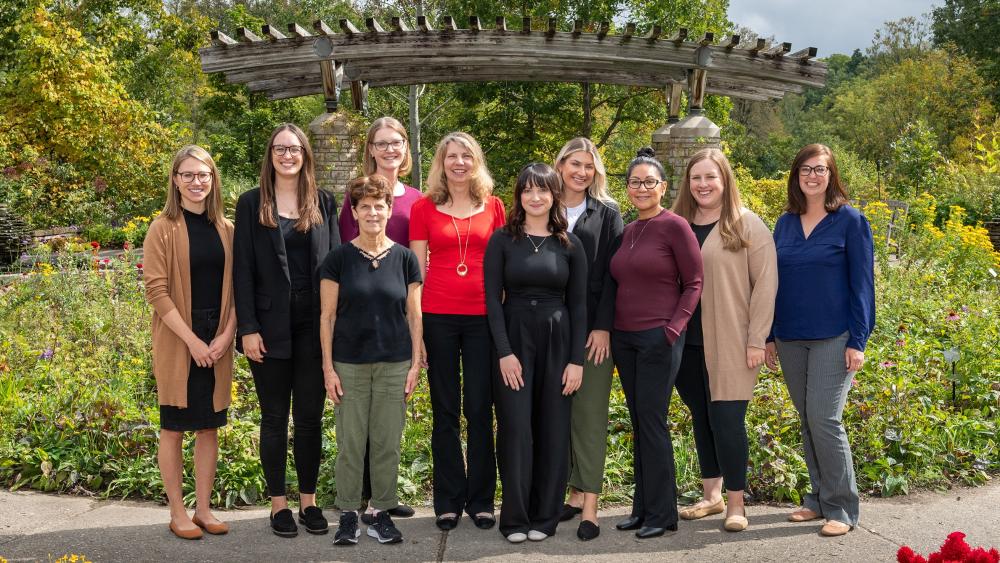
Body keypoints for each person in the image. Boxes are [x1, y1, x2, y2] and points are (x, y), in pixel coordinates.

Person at [234, 123, 340, 537]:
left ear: (305, 154)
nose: (287, 155)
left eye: (294, 149)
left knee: (310, 419)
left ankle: (309, 503)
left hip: (314, 327)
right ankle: (278, 505)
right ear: (270, 155)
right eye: (280, 148)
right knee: (275, 417)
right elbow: (242, 270)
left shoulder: (324, 202)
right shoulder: (250, 204)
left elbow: (333, 269)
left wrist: (335, 326)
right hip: (268, 327)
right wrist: (248, 327)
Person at [765, 143, 875, 537]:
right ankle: (817, 499)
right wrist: (768, 335)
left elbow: (863, 286)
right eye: (806, 169)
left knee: (825, 419)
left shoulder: (850, 221)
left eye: (821, 170)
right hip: (791, 335)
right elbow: (772, 284)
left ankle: (842, 508)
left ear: (832, 176)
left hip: (834, 335)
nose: (813, 176)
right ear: (796, 176)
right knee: (808, 420)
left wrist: (858, 340)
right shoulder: (785, 223)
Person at [670, 148, 778, 532]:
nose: (703, 185)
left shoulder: (746, 225)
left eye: (710, 177)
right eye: (696, 178)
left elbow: (766, 285)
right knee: (702, 417)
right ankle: (711, 497)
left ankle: (736, 504)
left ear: (725, 180)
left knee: (727, 420)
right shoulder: (677, 223)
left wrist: (757, 339)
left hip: (731, 341)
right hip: (685, 342)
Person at [598, 147, 703, 539]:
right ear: (627, 189)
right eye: (634, 182)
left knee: (653, 422)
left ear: (663, 186)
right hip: (626, 340)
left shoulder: (675, 226)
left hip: (660, 337)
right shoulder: (627, 230)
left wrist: (674, 329)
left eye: (649, 182)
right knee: (640, 422)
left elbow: (694, 282)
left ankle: (663, 514)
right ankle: (641, 509)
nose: (641, 188)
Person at [485, 163, 587, 544]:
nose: (535, 196)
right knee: (514, 428)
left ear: (554, 195)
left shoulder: (570, 244)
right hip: (514, 340)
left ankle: (545, 516)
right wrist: (504, 351)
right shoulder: (502, 240)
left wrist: (576, 360)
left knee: (553, 429)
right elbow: (492, 301)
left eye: (543, 190)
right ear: (519, 196)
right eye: (527, 190)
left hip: (558, 341)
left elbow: (579, 307)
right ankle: (514, 518)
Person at [319, 175, 424, 546]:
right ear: (355, 211)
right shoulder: (338, 259)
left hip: (394, 364)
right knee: (350, 442)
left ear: (389, 210)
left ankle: (380, 512)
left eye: (380, 205)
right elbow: (327, 317)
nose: (373, 212)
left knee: (386, 441)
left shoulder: (406, 259)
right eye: (365, 206)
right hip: (349, 365)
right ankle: (348, 514)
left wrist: (415, 363)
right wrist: (328, 368)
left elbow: (414, 315)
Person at [409, 132, 506, 531]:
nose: (460, 163)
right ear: (441, 162)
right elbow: (414, 277)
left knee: (481, 410)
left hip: (483, 319)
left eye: (467, 155)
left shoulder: (495, 207)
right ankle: (448, 500)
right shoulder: (423, 208)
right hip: (438, 317)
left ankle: (482, 499)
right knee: (445, 411)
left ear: (477, 161)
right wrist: (416, 339)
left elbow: (502, 271)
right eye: (452, 156)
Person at [143, 145, 235, 540]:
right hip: (179, 339)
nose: (197, 182)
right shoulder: (162, 227)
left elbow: (239, 291)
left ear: (213, 179)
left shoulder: (228, 229)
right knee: (175, 427)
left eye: (204, 175)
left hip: (218, 339)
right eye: (188, 175)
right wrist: (194, 342)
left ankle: (203, 509)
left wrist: (225, 336)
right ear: (175, 180)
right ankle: (177, 512)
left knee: (209, 427)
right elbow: (157, 292)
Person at [337, 116, 420, 524]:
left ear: (405, 148)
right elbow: (345, 258)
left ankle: (381, 497)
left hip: (399, 313)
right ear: (370, 148)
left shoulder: (417, 199)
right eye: (382, 143)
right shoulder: (358, 196)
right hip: (360, 317)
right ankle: (360, 498)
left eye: (397, 142)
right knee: (357, 422)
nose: (390, 149)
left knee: (388, 419)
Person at [552, 138, 624, 541]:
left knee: (590, 416)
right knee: (558, 415)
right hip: (548, 327)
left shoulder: (608, 214)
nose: (581, 172)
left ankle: (590, 507)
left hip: (594, 331)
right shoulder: (542, 205)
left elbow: (615, 276)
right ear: (560, 165)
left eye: (588, 166)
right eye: (574, 163)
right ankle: (573, 492)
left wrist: (603, 326)